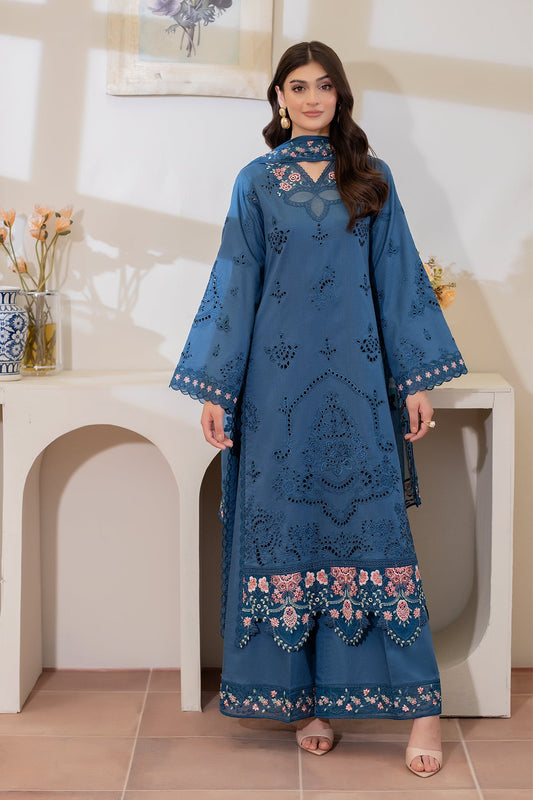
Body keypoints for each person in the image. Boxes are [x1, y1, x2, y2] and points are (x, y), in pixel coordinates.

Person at [170, 41, 467, 777]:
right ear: (277, 98)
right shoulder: (255, 182)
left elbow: (397, 277)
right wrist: (217, 387)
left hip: (359, 387)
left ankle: (420, 711)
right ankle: (311, 704)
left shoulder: (370, 178)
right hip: (275, 395)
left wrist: (415, 379)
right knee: (289, 537)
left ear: (340, 96)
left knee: (375, 536)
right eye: (297, 86)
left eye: (324, 85)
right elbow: (234, 281)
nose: (311, 98)